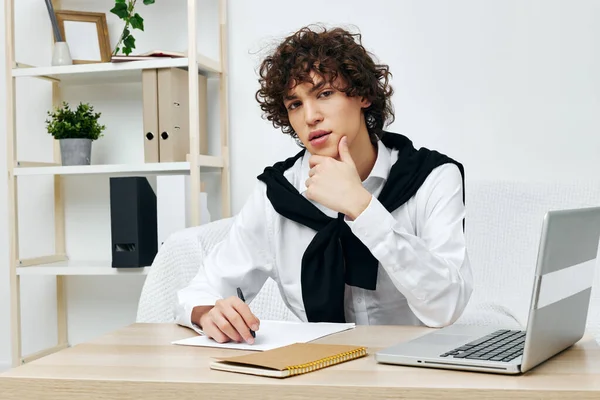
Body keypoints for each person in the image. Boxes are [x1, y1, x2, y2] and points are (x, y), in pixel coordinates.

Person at [175, 24, 473, 345]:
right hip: (317, 370)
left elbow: (447, 307)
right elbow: (201, 291)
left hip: (412, 366)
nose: (310, 116)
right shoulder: (279, 194)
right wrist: (209, 313)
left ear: (362, 95)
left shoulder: (432, 177)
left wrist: (363, 207)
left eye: (324, 94)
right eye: (295, 104)